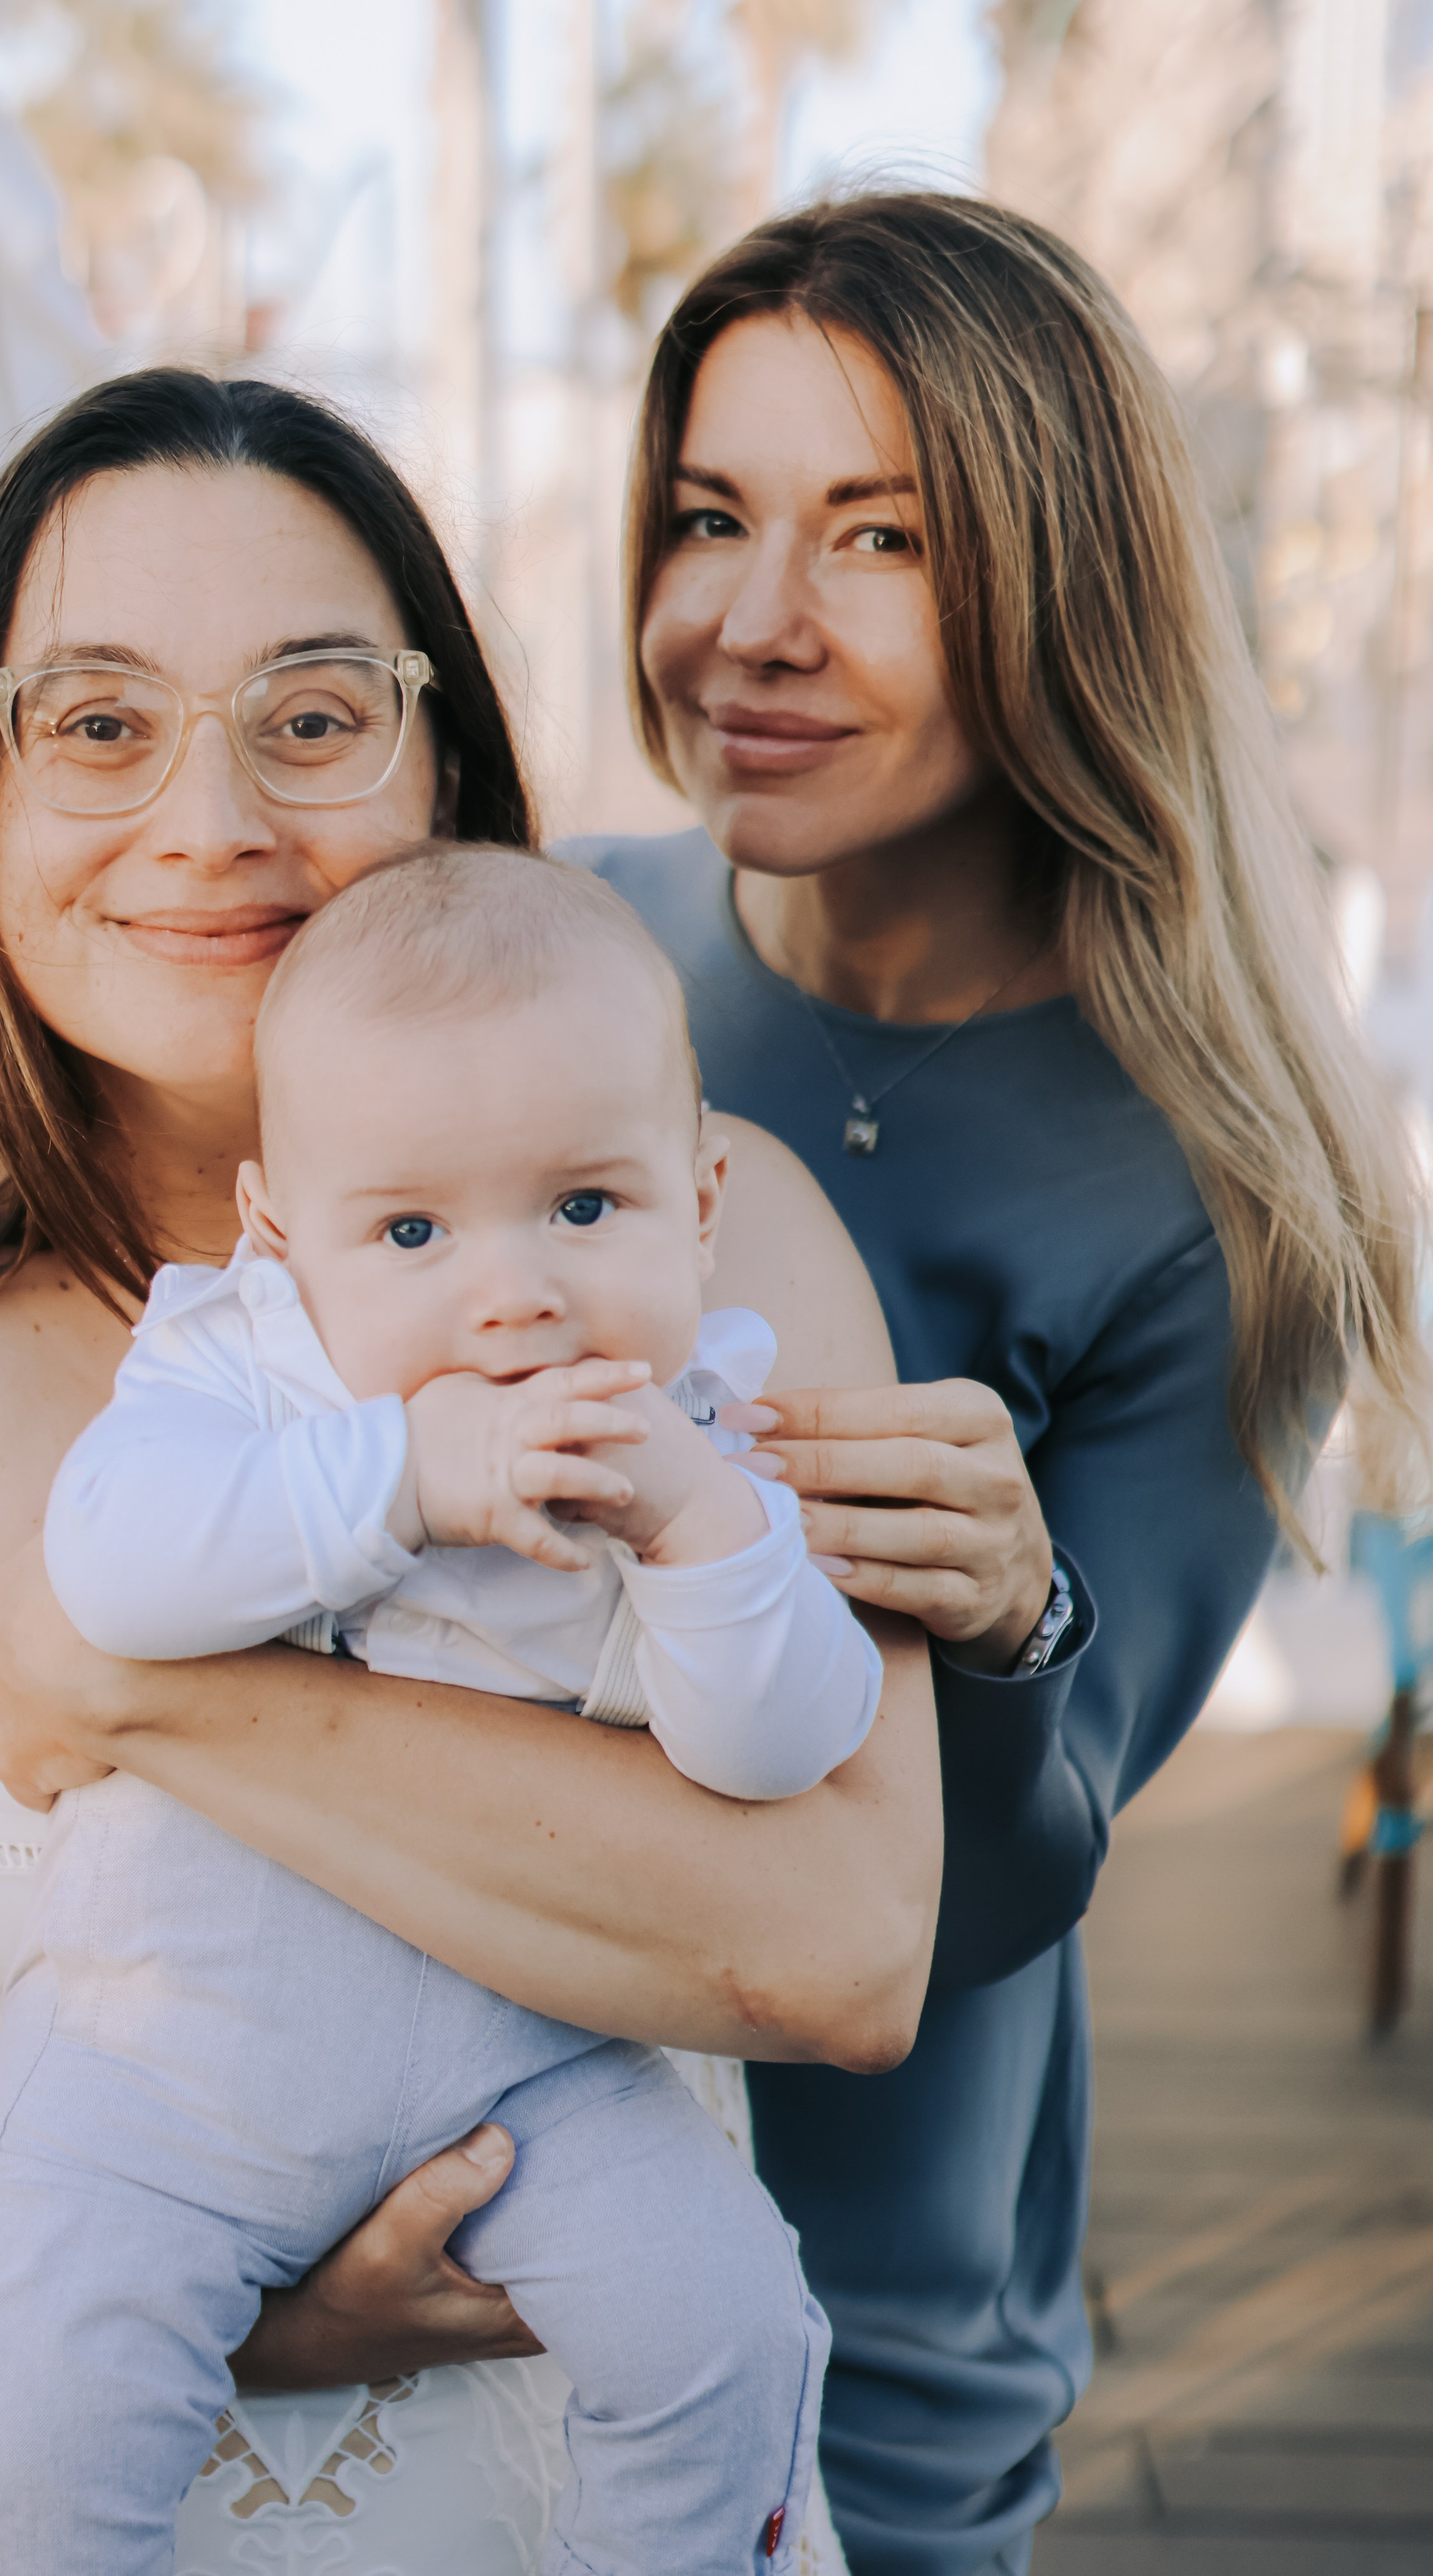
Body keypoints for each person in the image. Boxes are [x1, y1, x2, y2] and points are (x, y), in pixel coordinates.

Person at [0, 369, 947, 2576]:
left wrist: (139, 1695)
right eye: (96, 722)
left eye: (312, 717)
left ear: (450, 766)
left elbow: (845, 1944)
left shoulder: (698, 1232)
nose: (209, 822)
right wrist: (213, 2300)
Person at [566, 192, 1430, 2570]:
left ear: (1062, 585)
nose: (754, 620)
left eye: (881, 538)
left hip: (859, 2343)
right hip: (438, 2253)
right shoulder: (547, 944)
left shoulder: (1223, 1180)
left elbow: (1019, 1876)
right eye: (712, 518)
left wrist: (1016, 1624)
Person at [0, 848, 878, 2575]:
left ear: (703, 1200)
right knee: (50, 2385)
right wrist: (408, 1473)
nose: (511, 1291)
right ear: (282, 1238)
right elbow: (112, 1577)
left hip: (542, 2061)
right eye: (416, 1231)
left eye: (587, 1208)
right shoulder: (244, 1360)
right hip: (181, 2045)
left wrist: (701, 1534)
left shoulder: (707, 1433)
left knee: (729, 2323)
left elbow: (783, 1748)